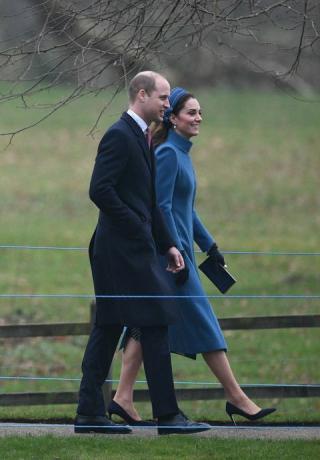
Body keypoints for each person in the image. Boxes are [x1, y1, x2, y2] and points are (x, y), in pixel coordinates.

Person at [108, 87, 276, 426]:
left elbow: (187, 209)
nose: (198, 118)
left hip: (177, 255)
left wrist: (209, 246)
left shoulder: (181, 153)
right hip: (172, 260)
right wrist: (177, 252)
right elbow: (162, 208)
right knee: (202, 322)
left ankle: (123, 398)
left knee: (143, 324)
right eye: (191, 113)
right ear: (173, 118)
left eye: (200, 113)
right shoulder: (169, 153)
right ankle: (237, 397)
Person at [74, 73, 212, 435]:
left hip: (135, 249)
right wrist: (137, 226)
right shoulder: (120, 136)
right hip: (116, 250)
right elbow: (99, 190)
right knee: (143, 321)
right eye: (164, 98)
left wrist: (168, 244)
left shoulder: (145, 137)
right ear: (142, 95)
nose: (168, 104)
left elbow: (149, 200)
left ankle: (93, 413)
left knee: (118, 325)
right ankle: (165, 416)